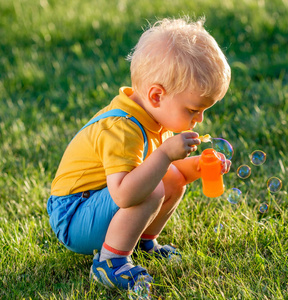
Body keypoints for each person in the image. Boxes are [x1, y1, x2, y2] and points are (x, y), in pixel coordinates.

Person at [47, 16, 231, 290]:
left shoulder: (154, 116)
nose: (200, 119)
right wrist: (165, 154)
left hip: (96, 202)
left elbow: (172, 173)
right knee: (152, 187)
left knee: (171, 179)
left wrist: (201, 168)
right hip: (73, 214)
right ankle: (110, 263)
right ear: (157, 96)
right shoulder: (124, 129)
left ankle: (143, 240)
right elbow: (125, 194)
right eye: (193, 110)